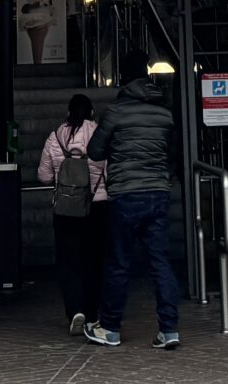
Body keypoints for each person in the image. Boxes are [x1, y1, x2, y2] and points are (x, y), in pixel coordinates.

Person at [83, 50, 181, 349]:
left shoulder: (116, 112)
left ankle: (110, 327)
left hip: (125, 194)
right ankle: (169, 329)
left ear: (123, 79)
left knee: (119, 263)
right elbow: (173, 153)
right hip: (158, 193)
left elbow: (95, 151)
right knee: (160, 262)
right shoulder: (165, 113)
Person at [37, 91, 110, 334]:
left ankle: (75, 310)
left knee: (69, 262)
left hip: (66, 208)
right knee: (94, 261)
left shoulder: (54, 138)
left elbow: (44, 175)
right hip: (97, 206)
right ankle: (92, 313)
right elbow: (110, 172)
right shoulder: (101, 135)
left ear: (68, 113)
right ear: (91, 113)